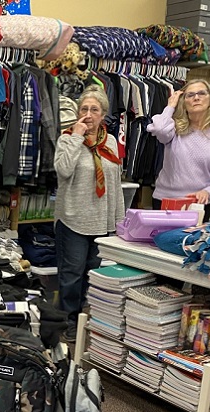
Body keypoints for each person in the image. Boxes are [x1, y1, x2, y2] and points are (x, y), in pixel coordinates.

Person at [54, 85, 125, 343]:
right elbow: (63, 170)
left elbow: (115, 185)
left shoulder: (112, 143)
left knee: (92, 275)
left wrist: (119, 223)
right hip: (72, 219)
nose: (88, 114)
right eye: (84, 109)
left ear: (103, 114)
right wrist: (76, 136)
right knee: (71, 276)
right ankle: (68, 321)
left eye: (94, 109)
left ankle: (85, 318)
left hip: (101, 222)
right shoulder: (66, 139)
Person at [148, 79, 210, 221]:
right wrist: (171, 105)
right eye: (190, 95)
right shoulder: (174, 130)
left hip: (199, 205)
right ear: (183, 102)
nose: (196, 98)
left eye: (201, 93)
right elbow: (158, 128)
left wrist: (208, 192)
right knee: (162, 242)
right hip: (165, 201)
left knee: (192, 243)